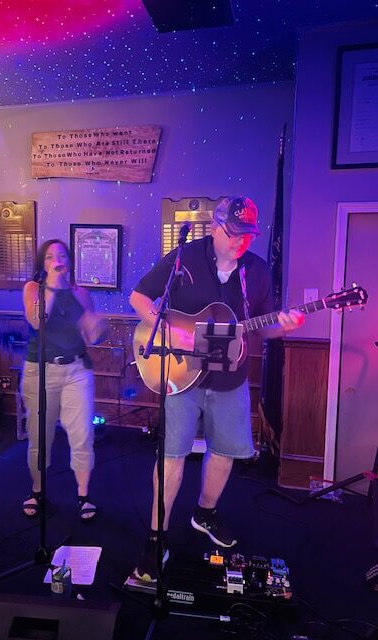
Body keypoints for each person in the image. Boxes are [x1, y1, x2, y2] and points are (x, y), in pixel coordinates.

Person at [129, 195, 304, 582]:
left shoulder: (256, 271)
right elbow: (139, 296)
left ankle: (204, 512)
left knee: (225, 452)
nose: (240, 243)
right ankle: (157, 537)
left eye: (248, 236)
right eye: (233, 234)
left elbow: (263, 326)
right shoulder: (184, 258)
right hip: (178, 374)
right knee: (172, 456)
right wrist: (169, 326)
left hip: (230, 379)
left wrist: (285, 325)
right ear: (215, 226)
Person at [21, 239, 107, 520]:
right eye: (49, 257)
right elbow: (37, 321)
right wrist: (53, 286)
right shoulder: (33, 289)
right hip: (41, 370)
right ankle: (37, 491)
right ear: (42, 264)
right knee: (39, 436)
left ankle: (83, 496)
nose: (56, 260)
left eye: (61, 256)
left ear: (69, 261)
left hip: (77, 371)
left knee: (82, 434)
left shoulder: (80, 293)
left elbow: (91, 334)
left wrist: (97, 327)